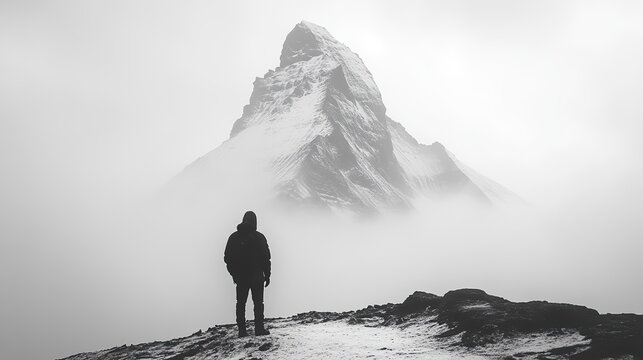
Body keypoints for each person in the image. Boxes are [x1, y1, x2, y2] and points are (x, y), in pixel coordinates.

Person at [224, 211, 271, 337]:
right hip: (257, 277)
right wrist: (267, 275)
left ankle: (242, 331)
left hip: (241, 278)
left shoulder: (234, 237)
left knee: (240, 304)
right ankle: (259, 329)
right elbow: (266, 258)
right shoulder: (259, 237)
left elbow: (227, 258)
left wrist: (234, 274)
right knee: (258, 303)